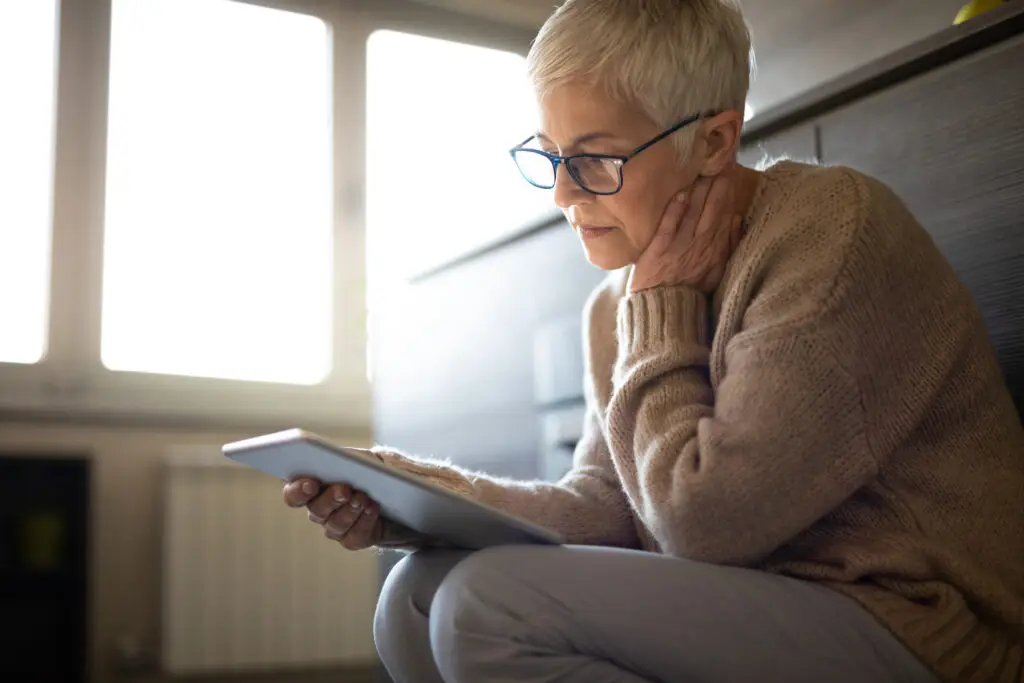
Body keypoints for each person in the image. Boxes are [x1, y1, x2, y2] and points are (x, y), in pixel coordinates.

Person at [283, 1, 1024, 682]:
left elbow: (707, 522)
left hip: (917, 622)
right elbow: (609, 502)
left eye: (595, 160)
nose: (564, 197)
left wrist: (660, 313)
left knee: (484, 603)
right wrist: (418, 499)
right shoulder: (620, 300)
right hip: (772, 598)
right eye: (550, 156)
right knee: (412, 598)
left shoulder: (830, 234)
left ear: (713, 140)